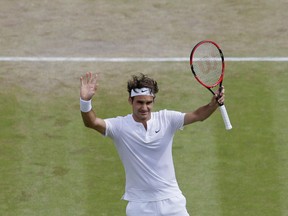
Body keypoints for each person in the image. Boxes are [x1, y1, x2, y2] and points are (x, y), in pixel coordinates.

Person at [80, 72, 225, 216]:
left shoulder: (166, 119)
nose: (144, 107)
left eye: (148, 102)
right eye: (140, 102)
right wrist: (85, 101)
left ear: (153, 101)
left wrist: (212, 105)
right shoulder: (119, 126)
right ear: (131, 101)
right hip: (140, 206)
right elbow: (91, 122)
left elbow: (197, 115)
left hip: (172, 201)